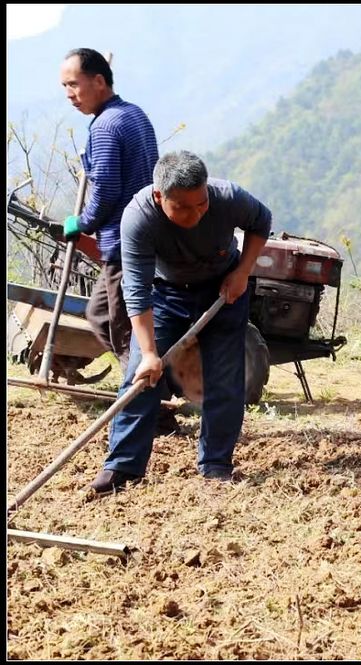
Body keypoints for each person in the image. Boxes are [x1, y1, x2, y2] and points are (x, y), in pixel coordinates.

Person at [89, 151, 272, 494]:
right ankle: (123, 466)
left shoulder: (228, 197)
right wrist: (148, 353)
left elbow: (262, 222)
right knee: (141, 375)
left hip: (223, 292)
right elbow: (137, 290)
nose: (196, 213)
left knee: (225, 379)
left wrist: (242, 272)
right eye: (184, 207)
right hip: (166, 294)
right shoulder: (139, 218)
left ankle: (216, 464)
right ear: (160, 197)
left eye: (201, 204)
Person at [60, 48, 159, 370]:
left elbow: (106, 191)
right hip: (146, 233)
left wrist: (83, 222)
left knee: (123, 329)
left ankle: (148, 395)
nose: (69, 94)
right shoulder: (134, 114)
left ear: (99, 81)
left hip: (125, 241)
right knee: (102, 315)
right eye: (65, 86)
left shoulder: (105, 127)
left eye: (74, 84)